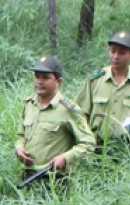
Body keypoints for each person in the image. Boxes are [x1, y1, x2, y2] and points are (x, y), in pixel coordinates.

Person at [15, 56, 95, 184]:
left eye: (46, 78)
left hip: (56, 179)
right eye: (37, 76)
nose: (39, 82)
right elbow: (21, 136)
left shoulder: (68, 109)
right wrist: (19, 149)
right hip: (27, 176)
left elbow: (88, 142)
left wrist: (65, 158)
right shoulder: (29, 105)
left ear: (58, 81)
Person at [75, 30, 130, 147]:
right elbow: (82, 114)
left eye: (122, 53)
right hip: (97, 144)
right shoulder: (96, 80)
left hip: (128, 148)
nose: (115, 56)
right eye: (113, 51)